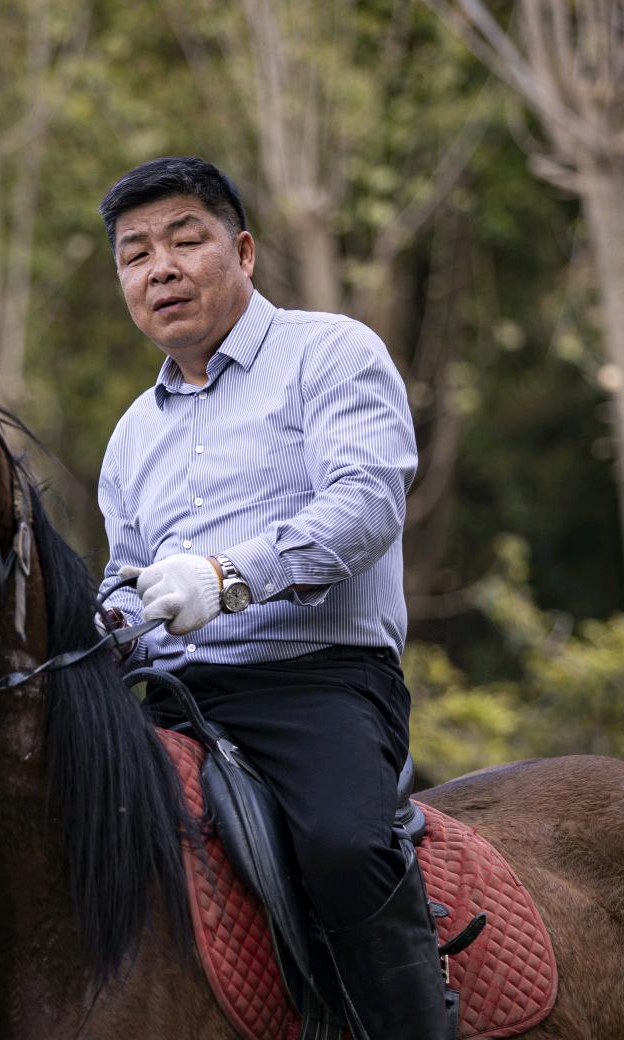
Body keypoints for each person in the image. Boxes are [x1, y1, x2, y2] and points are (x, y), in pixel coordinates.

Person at [95, 156, 452, 1040]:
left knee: (345, 845)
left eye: (186, 240)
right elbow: (123, 578)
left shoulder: (329, 351)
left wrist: (223, 578)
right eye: (135, 254)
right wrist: (102, 621)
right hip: (167, 700)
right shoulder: (132, 433)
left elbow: (365, 504)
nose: (161, 268)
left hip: (314, 681)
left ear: (243, 250)